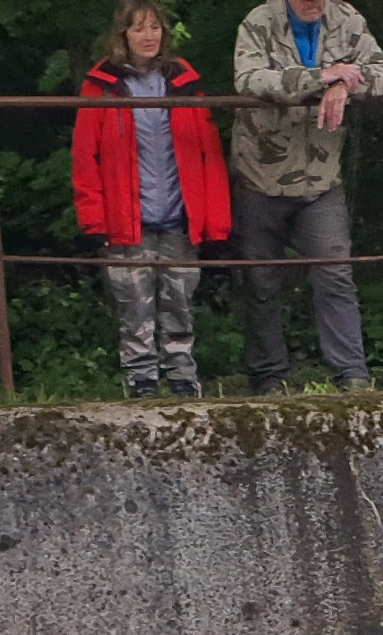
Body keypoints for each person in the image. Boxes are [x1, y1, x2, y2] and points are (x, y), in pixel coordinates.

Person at [224, 0, 383, 393]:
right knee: (261, 281)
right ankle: (268, 379)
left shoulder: (347, 19)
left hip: (321, 176)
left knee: (335, 273)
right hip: (260, 175)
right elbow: (249, 79)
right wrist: (321, 77)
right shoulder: (258, 22)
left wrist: (343, 85)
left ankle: (352, 375)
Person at [73, 2, 233, 398]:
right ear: (123, 35)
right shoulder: (101, 84)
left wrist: (216, 221)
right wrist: (93, 219)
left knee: (181, 303)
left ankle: (182, 377)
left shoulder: (185, 80)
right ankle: (140, 380)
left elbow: (209, 154)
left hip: (179, 215)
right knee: (133, 308)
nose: (149, 36)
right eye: (139, 28)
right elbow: (84, 157)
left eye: (155, 28)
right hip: (126, 219)